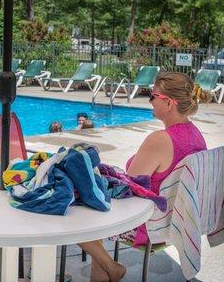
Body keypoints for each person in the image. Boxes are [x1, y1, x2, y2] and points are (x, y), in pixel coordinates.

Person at [78, 72, 210, 282]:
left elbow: (126, 185)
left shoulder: (160, 140)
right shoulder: (195, 135)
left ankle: (111, 267)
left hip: (147, 224)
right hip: (177, 219)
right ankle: (103, 272)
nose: (150, 101)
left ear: (169, 103)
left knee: (79, 212)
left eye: (152, 96)